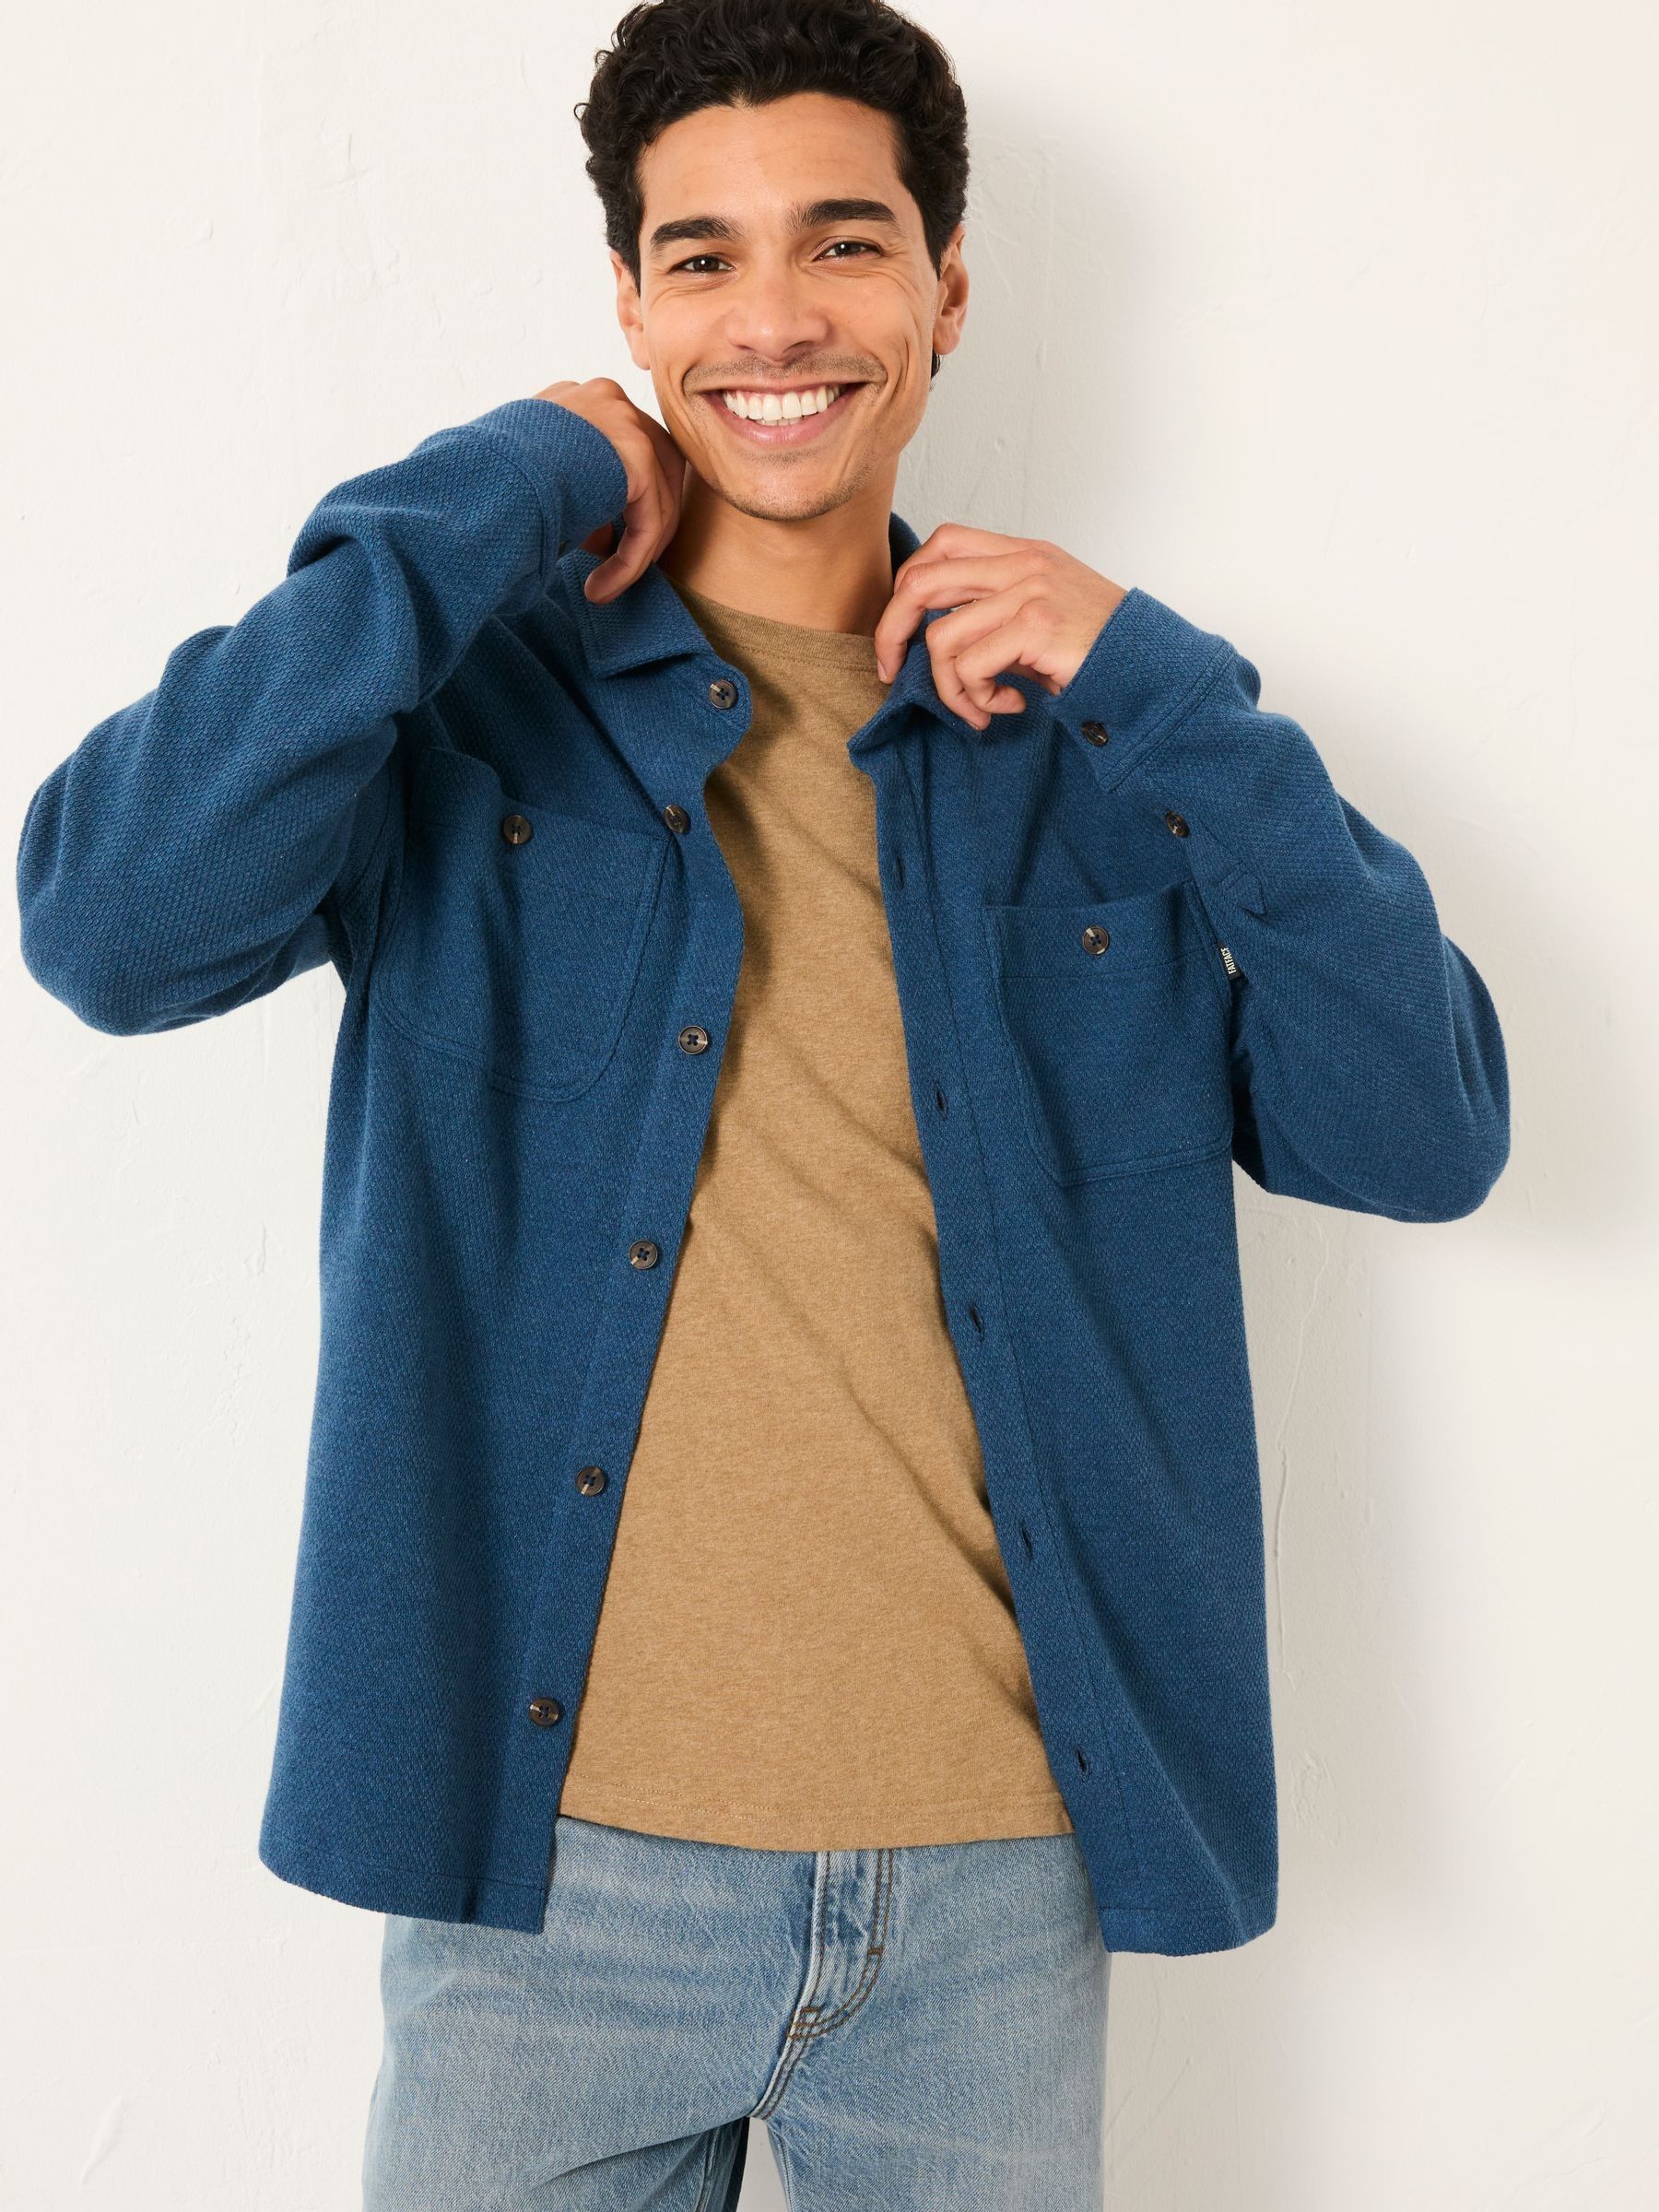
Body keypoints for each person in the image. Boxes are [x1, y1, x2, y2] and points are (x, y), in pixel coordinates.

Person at [13, 1, 1511, 2204]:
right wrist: (498, 486)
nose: (776, 316)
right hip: (551, 1883)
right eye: (701, 257)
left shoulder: (1088, 740)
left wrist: (1174, 697)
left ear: (947, 289)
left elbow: (1421, 1133)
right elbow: (108, 924)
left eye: (844, 241)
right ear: (629, 307)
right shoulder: (470, 710)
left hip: (995, 1883)